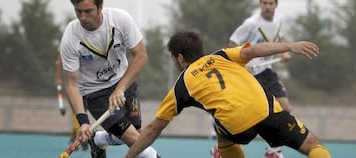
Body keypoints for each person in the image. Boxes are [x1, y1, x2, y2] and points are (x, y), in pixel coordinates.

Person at [124, 31, 331, 158]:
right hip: (267, 110)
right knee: (313, 145)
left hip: (235, 125)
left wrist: (129, 156)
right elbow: (252, 51)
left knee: (221, 129)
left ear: (179, 58)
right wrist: (289, 45)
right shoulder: (222, 55)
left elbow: (153, 129)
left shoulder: (182, 85)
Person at [59, 0, 160, 158]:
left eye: (88, 11)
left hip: (124, 83)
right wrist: (83, 120)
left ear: (100, 7)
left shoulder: (120, 20)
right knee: (135, 139)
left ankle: (98, 139)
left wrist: (120, 88)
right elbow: (71, 84)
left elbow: (141, 55)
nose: (83, 17)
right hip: (95, 93)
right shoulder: (71, 37)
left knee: (135, 131)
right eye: (78, 11)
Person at [228, 0, 291, 156]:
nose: (267, 6)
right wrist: (241, 64)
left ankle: (273, 150)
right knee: (244, 116)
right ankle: (222, 147)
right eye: (264, 3)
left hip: (266, 71)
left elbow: (281, 37)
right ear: (260, 4)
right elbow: (232, 44)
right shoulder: (251, 23)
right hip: (249, 74)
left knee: (284, 106)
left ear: (276, 4)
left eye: (270, 3)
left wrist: (284, 50)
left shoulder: (280, 19)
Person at [55, 48, 88, 151]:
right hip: (76, 83)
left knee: (85, 111)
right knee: (78, 111)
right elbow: (61, 59)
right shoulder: (69, 39)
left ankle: (78, 137)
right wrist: (58, 77)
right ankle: (79, 138)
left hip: (90, 82)